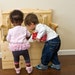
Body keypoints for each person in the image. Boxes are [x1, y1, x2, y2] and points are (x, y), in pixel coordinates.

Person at [6, 10, 33, 74]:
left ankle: (17, 70)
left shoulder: (10, 30)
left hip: (15, 49)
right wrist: (26, 38)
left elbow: (8, 39)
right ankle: (29, 69)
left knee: (16, 60)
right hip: (24, 47)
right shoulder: (24, 29)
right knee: (27, 59)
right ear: (22, 21)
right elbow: (29, 35)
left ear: (11, 22)